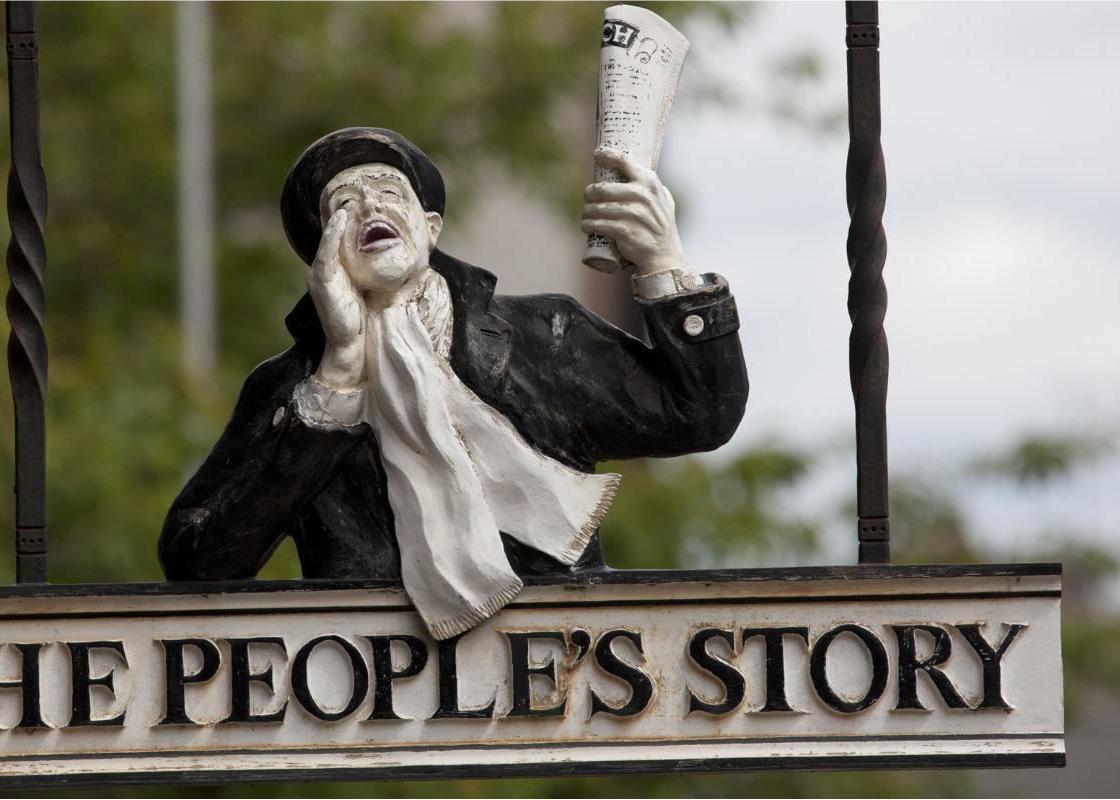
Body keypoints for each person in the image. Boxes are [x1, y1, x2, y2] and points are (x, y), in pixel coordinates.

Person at [159, 127, 747, 639]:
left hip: (563, 672)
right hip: (373, 703)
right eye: (343, 204)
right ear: (324, 251)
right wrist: (339, 373)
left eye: (390, 193)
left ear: (430, 227)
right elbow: (198, 563)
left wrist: (663, 263)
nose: (369, 210)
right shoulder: (290, 389)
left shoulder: (544, 334)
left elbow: (697, 414)